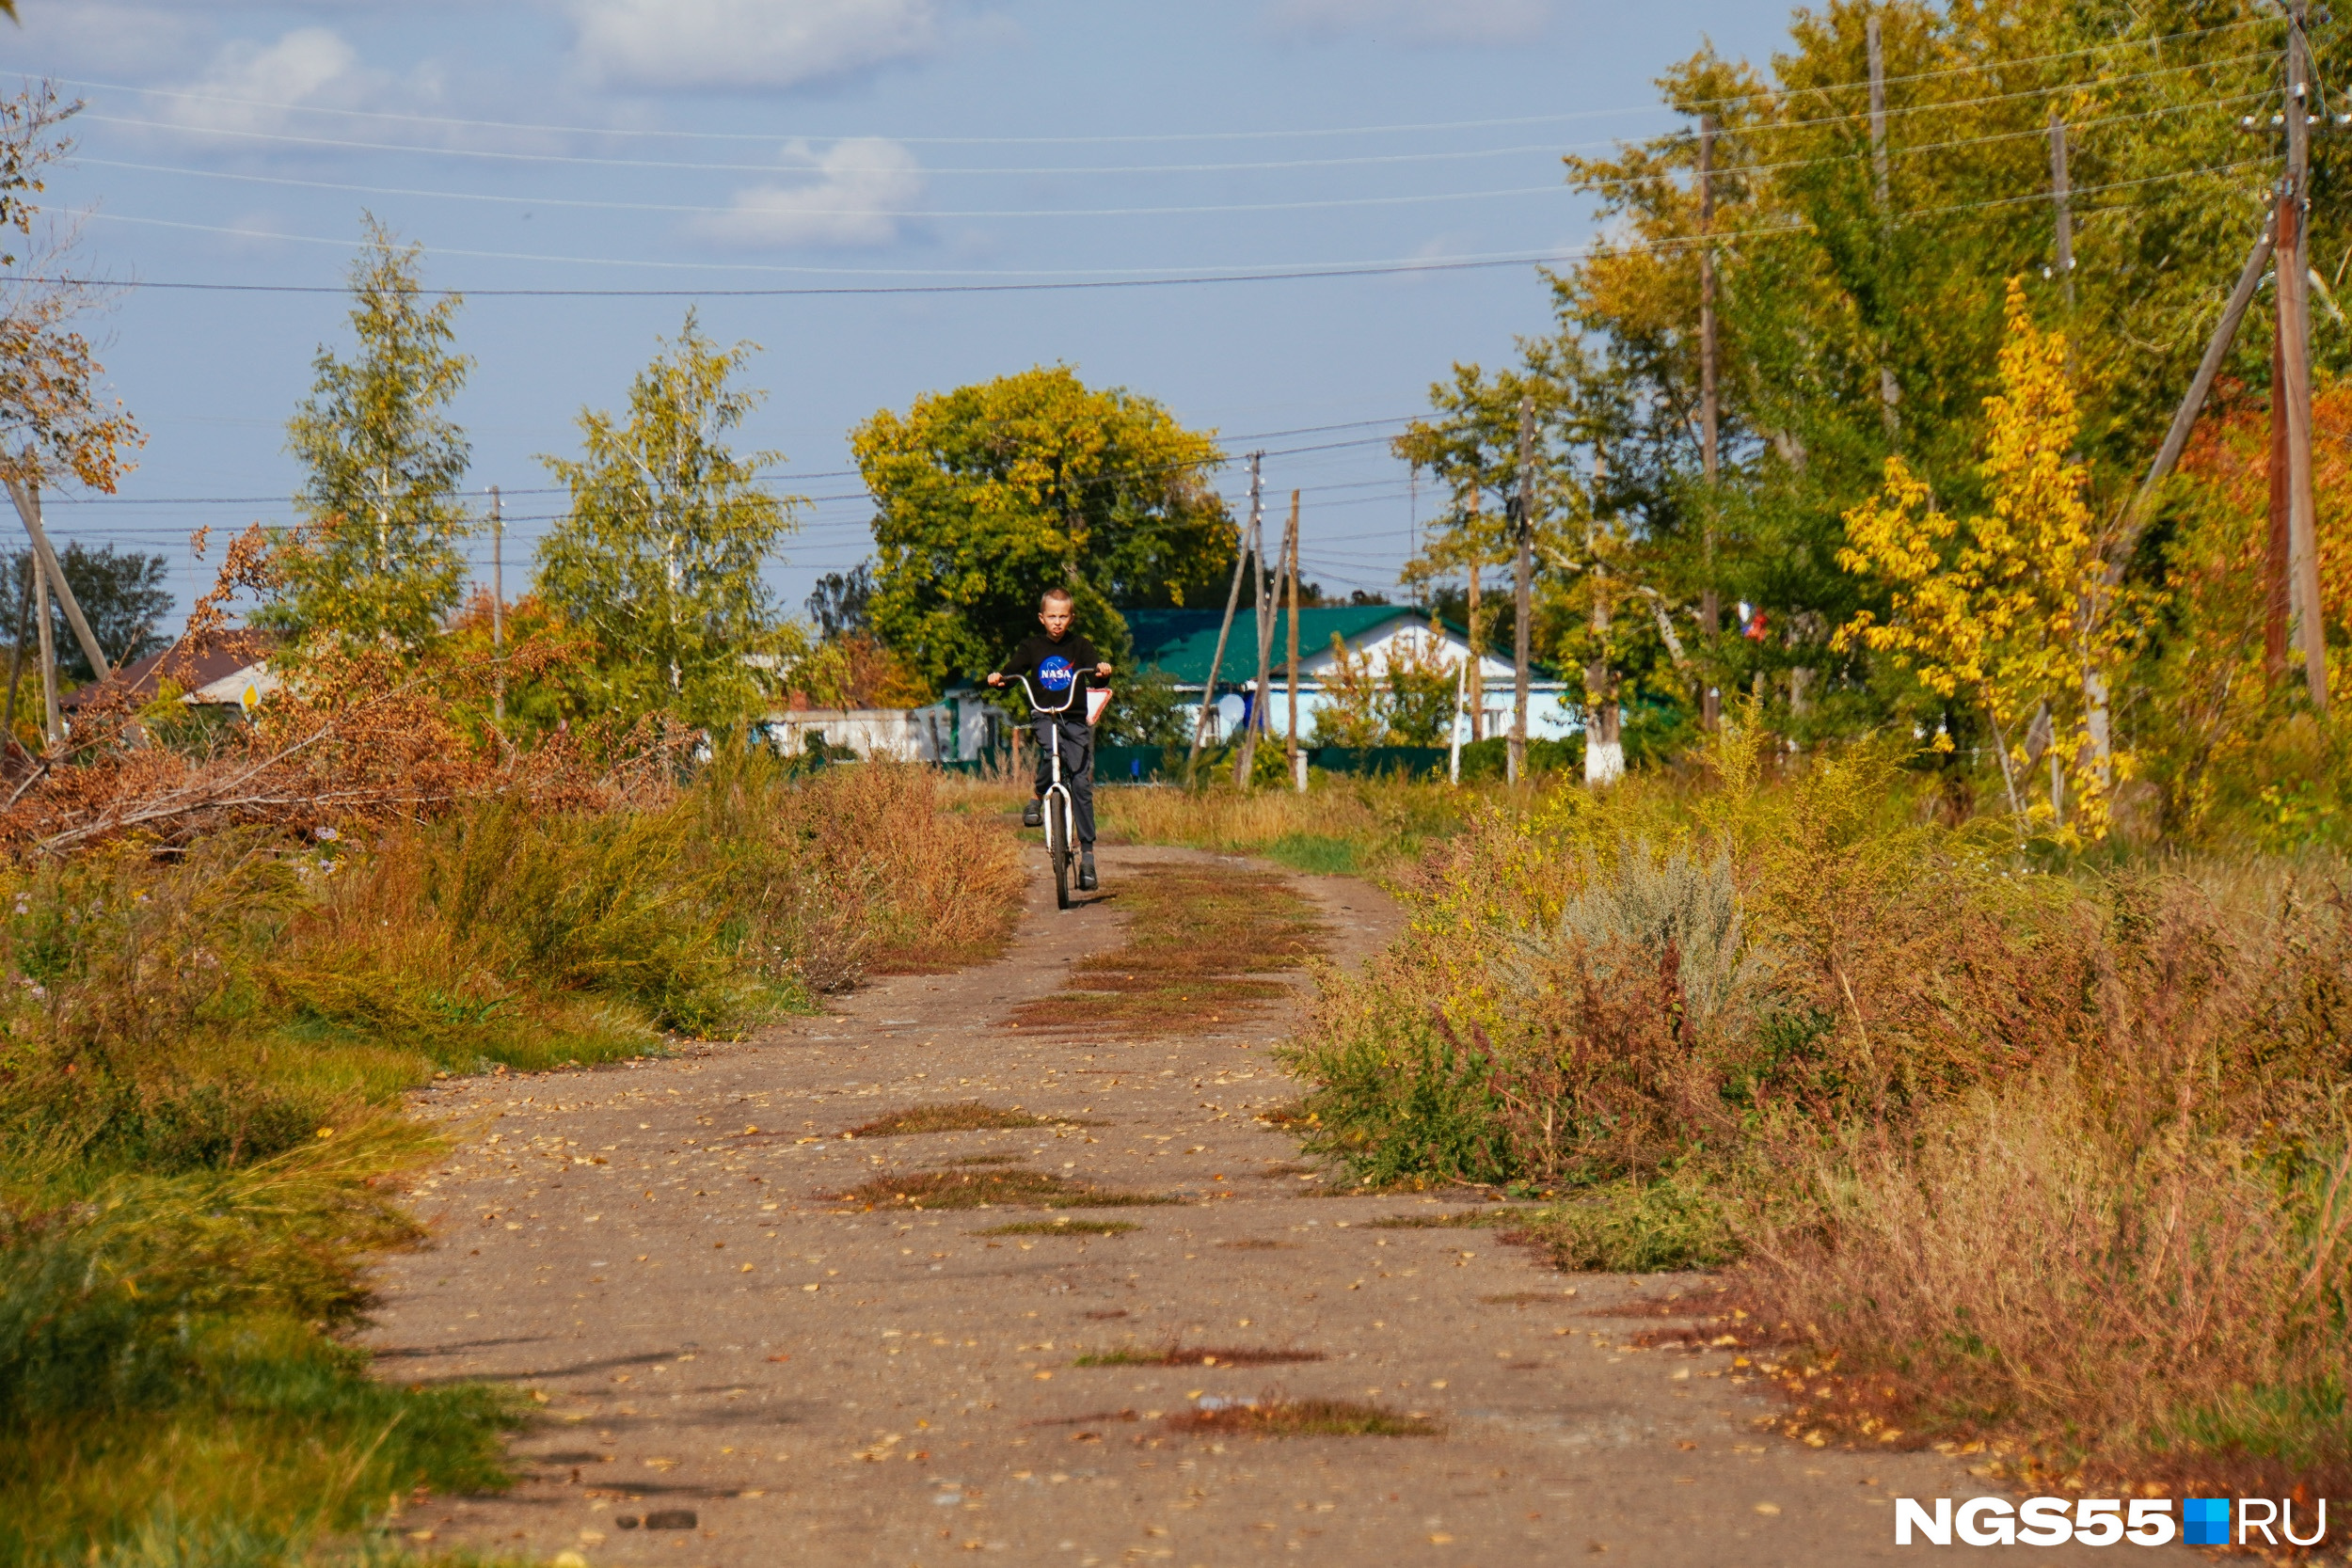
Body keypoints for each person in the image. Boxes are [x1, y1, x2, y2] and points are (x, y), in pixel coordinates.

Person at [986, 588, 1112, 891]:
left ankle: (1089, 859)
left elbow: (1096, 674)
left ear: (1071, 618)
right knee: (1051, 754)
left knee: (1081, 782)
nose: (1057, 622)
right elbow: (1012, 671)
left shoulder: (1080, 646)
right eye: (1052, 616)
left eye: (1063, 616)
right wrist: (998, 677)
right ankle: (1035, 799)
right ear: (1042, 618)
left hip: (1074, 718)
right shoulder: (1032, 647)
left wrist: (1103, 672)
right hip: (1044, 715)